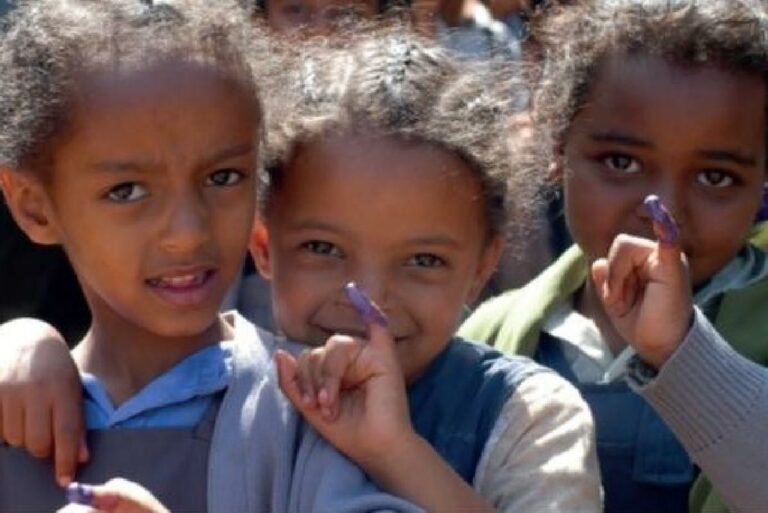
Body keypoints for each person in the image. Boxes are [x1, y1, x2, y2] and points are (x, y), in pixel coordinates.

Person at [0, 27, 601, 512]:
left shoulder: (303, 423)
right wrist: (24, 340)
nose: (368, 298)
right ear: (264, 242)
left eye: (423, 260)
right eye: (322, 248)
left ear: (484, 266)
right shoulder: (285, 398)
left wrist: (395, 452)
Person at [0, 2, 422, 512]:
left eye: (223, 178)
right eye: (128, 190)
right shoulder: (14, 405)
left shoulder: (303, 411)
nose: (187, 233)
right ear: (33, 206)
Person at [458, 1, 768, 512]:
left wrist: (682, 353)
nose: (662, 211)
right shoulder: (490, 338)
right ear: (558, 150)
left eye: (716, 177)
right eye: (621, 163)